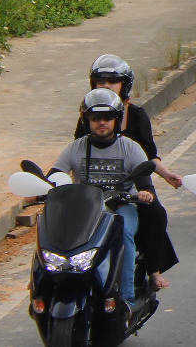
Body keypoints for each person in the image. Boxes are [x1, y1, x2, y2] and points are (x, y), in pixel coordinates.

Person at [71, 56, 179, 291]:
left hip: (130, 187)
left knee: (154, 213)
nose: (106, 86)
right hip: (94, 191)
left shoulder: (136, 114)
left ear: (124, 85)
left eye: (113, 81)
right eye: (101, 81)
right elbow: (77, 154)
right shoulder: (88, 112)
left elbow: (149, 154)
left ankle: (152, 269)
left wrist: (166, 175)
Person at [51, 89, 156, 308]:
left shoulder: (130, 148)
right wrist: (46, 186)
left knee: (124, 235)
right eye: (95, 118)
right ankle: (48, 288)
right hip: (83, 210)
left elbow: (145, 183)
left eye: (107, 117)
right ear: (86, 120)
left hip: (120, 208)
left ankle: (125, 299)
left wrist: (145, 193)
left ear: (116, 119)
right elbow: (55, 174)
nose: (101, 122)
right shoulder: (75, 148)